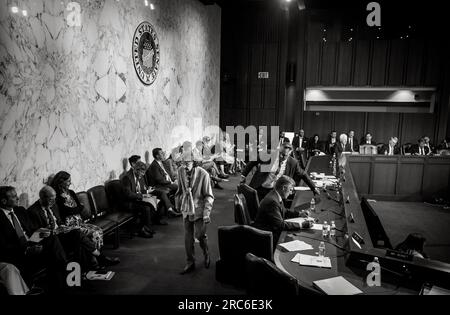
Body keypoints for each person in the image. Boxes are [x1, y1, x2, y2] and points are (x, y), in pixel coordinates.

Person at [28, 186, 119, 268]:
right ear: (42, 198)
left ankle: (88, 265)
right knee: (78, 238)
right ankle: (99, 259)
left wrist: (63, 227)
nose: (53, 202)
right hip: (52, 239)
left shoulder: (53, 205)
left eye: (54, 199)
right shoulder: (33, 211)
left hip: (61, 234)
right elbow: (36, 233)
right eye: (51, 200)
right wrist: (54, 231)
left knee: (77, 234)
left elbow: (59, 221)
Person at [0, 186, 68, 292]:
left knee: (52, 239)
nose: (18, 198)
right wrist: (25, 249)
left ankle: (63, 279)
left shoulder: (20, 210)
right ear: (4, 201)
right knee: (53, 252)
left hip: (31, 242)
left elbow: (32, 229)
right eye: (14, 196)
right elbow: (3, 246)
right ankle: (63, 280)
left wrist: (42, 232)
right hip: (18, 251)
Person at [175, 145, 214, 275]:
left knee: (200, 236)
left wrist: (206, 213)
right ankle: (190, 262)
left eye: (187, 163)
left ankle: (206, 253)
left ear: (195, 162)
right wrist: (178, 203)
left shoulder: (204, 174)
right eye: (182, 163)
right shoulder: (180, 171)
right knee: (188, 238)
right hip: (186, 210)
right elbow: (179, 190)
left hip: (199, 210)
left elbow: (209, 196)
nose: (185, 166)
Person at [241, 142, 319, 201]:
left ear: (290, 153)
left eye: (284, 155)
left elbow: (303, 174)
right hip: (260, 186)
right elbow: (252, 162)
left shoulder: (293, 163)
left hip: (274, 191)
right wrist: (243, 176)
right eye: (280, 153)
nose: (281, 156)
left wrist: (314, 187)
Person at [253, 176, 315, 248]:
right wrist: (301, 225)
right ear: (284, 188)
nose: (291, 193)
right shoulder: (273, 201)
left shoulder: (275, 194)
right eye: (290, 190)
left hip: (270, 231)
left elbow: (284, 211)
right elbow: (280, 225)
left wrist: (299, 214)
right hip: (266, 236)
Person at [121, 162, 164, 238]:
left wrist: (146, 193)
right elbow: (128, 194)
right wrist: (141, 196)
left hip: (136, 199)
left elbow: (140, 189)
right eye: (141, 173)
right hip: (128, 202)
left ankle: (146, 227)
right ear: (136, 170)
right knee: (146, 208)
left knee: (154, 202)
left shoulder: (139, 176)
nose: (143, 175)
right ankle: (141, 230)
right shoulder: (127, 178)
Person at [146, 148, 181, 218]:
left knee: (180, 184)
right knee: (178, 187)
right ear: (157, 156)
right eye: (161, 153)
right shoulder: (154, 165)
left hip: (166, 182)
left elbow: (167, 174)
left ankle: (176, 207)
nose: (163, 154)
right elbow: (159, 180)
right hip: (158, 185)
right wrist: (171, 182)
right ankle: (175, 208)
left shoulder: (161, 163)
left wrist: (174, 180)